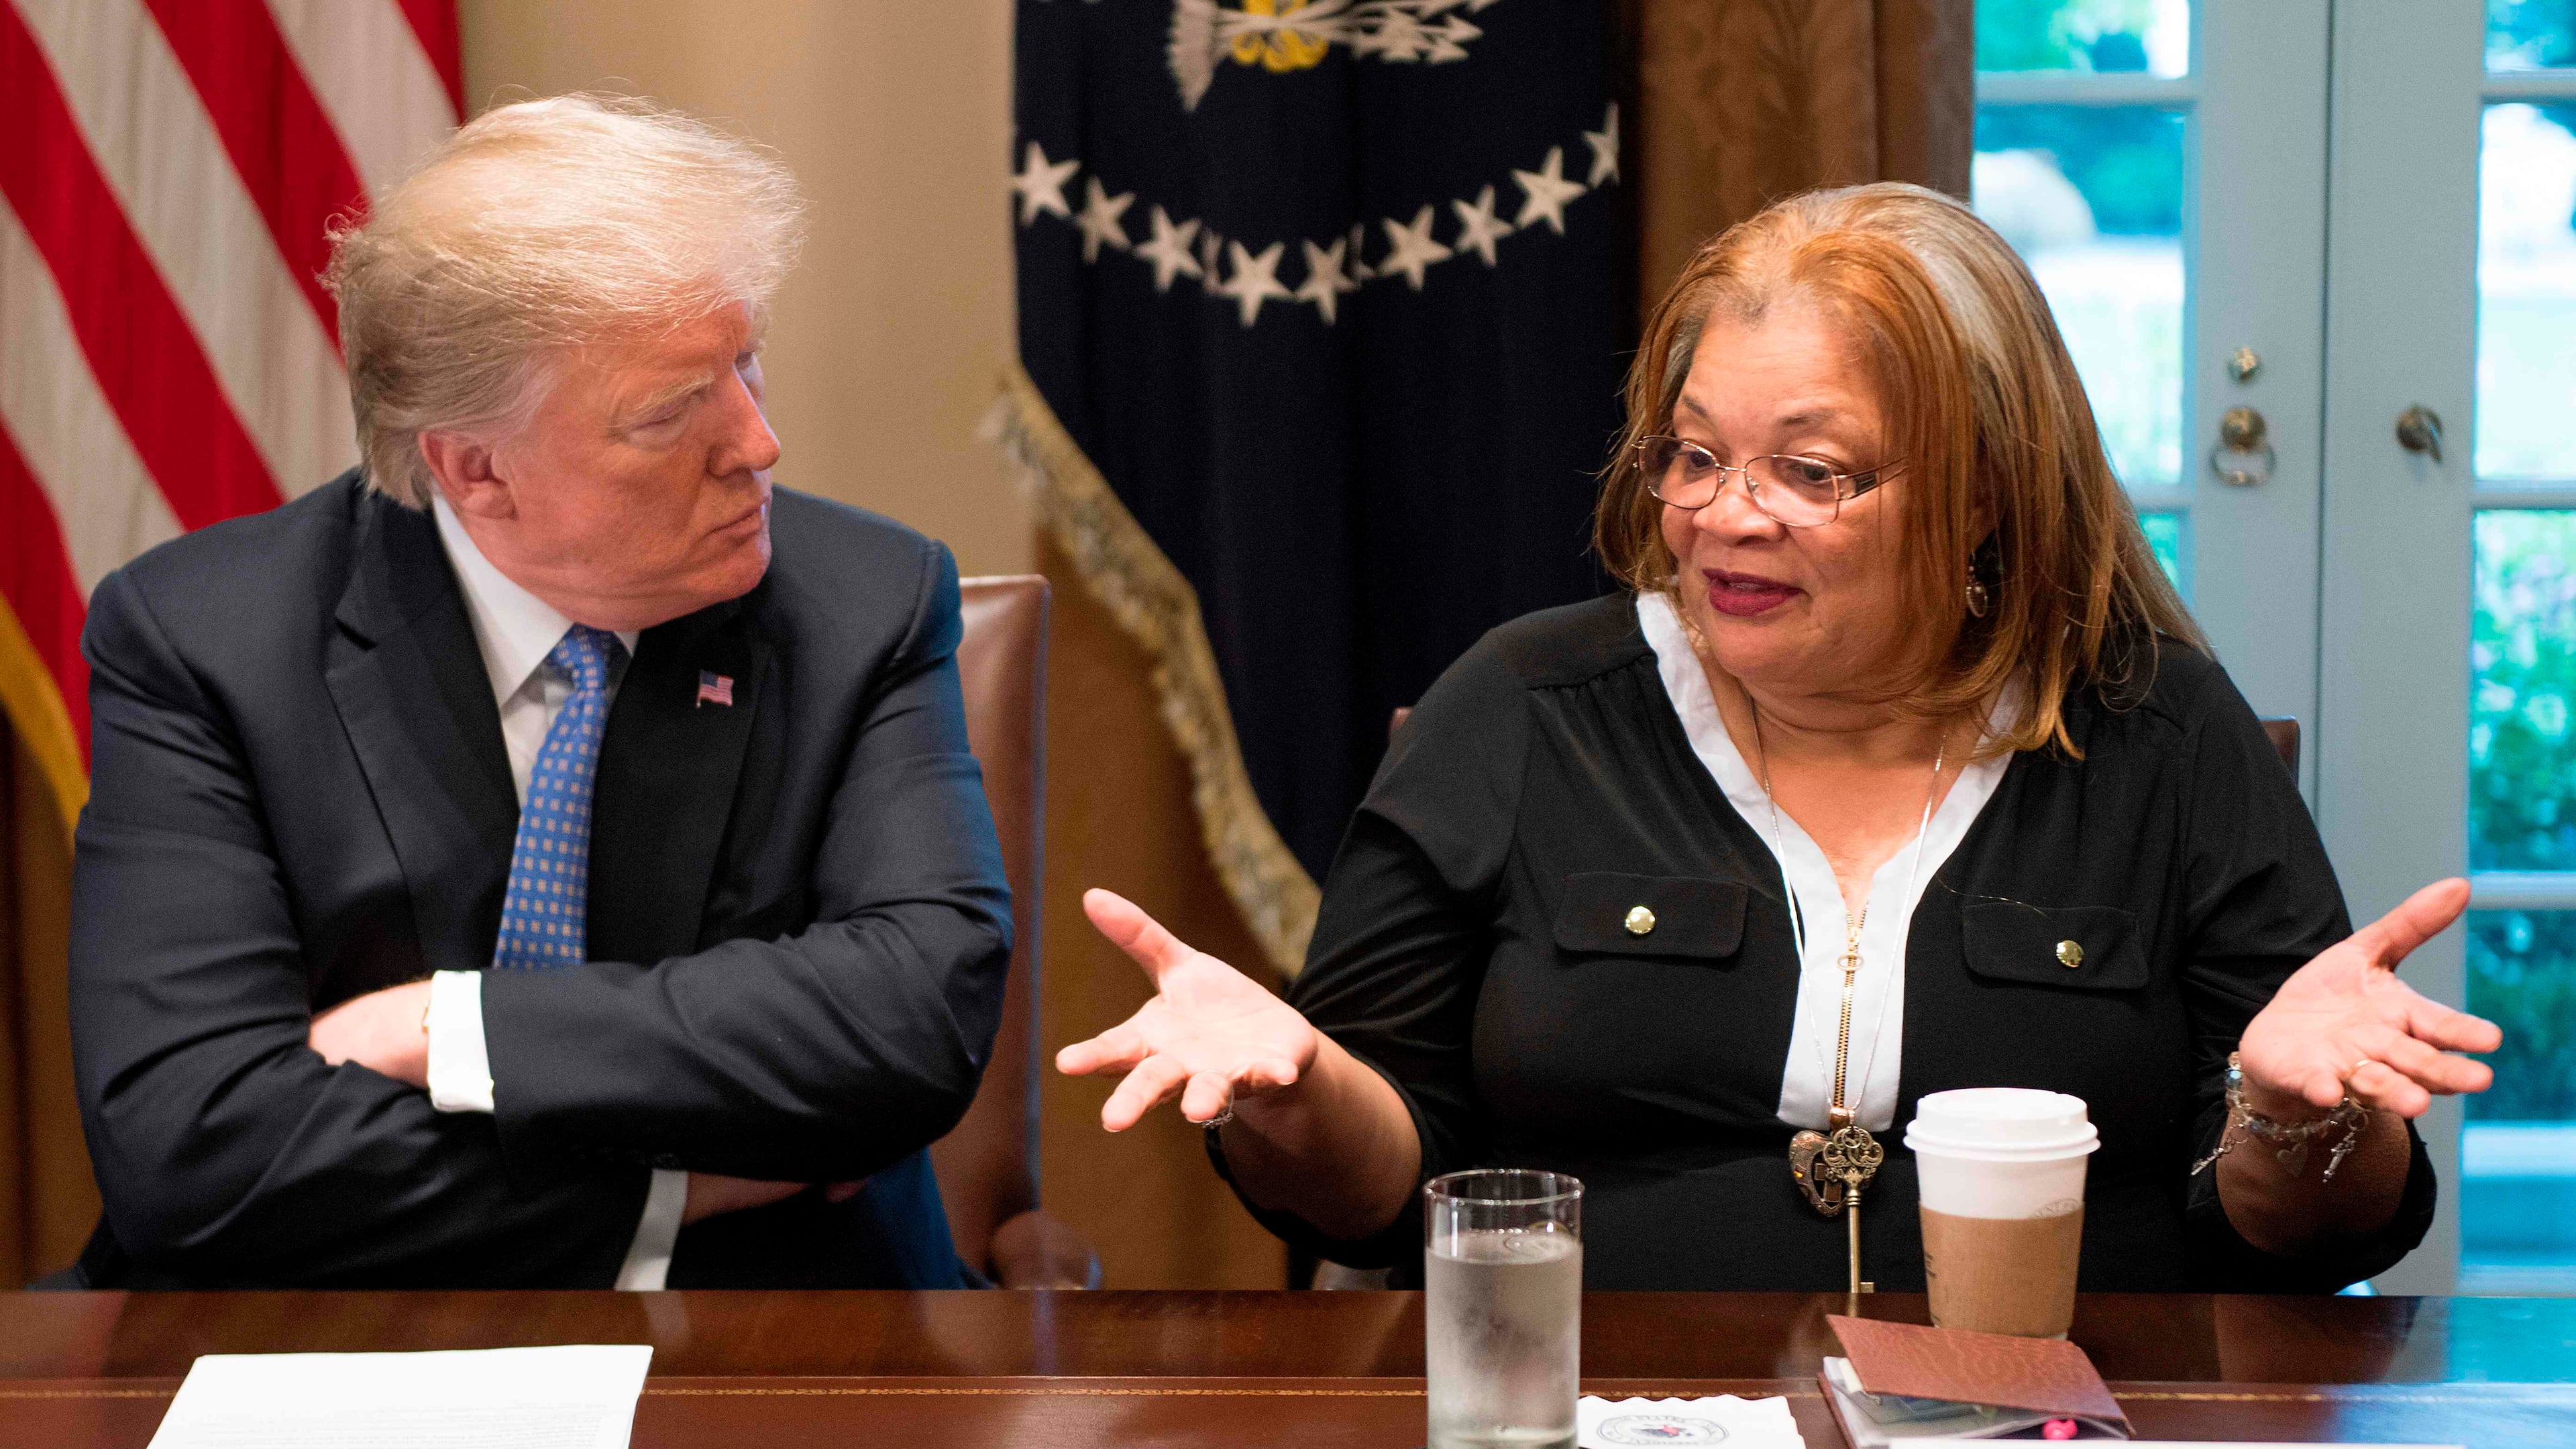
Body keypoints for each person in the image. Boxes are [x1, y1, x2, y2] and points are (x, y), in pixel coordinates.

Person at [1059, 182, 2502, 1291]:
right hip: (1594, 1410)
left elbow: (2303, 1242)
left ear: (1988, 491)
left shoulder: (2158, 732)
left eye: (1810, 470)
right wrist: (1298, 1090)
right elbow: (1378, 1193)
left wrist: (2298, 1114)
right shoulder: (1514, 709)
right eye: (1693, 453)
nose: (1725, 515)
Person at [62, 96, 1011, 1289]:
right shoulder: (204, 640)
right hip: (328, 1343)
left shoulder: (862, 600)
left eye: (746, 361)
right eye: (673, 412)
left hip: (776, 1321)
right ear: (475, 470)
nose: (758, 443)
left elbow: (912, 1021)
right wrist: (683, 1187)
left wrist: (447, 1031)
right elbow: (193, 1158)